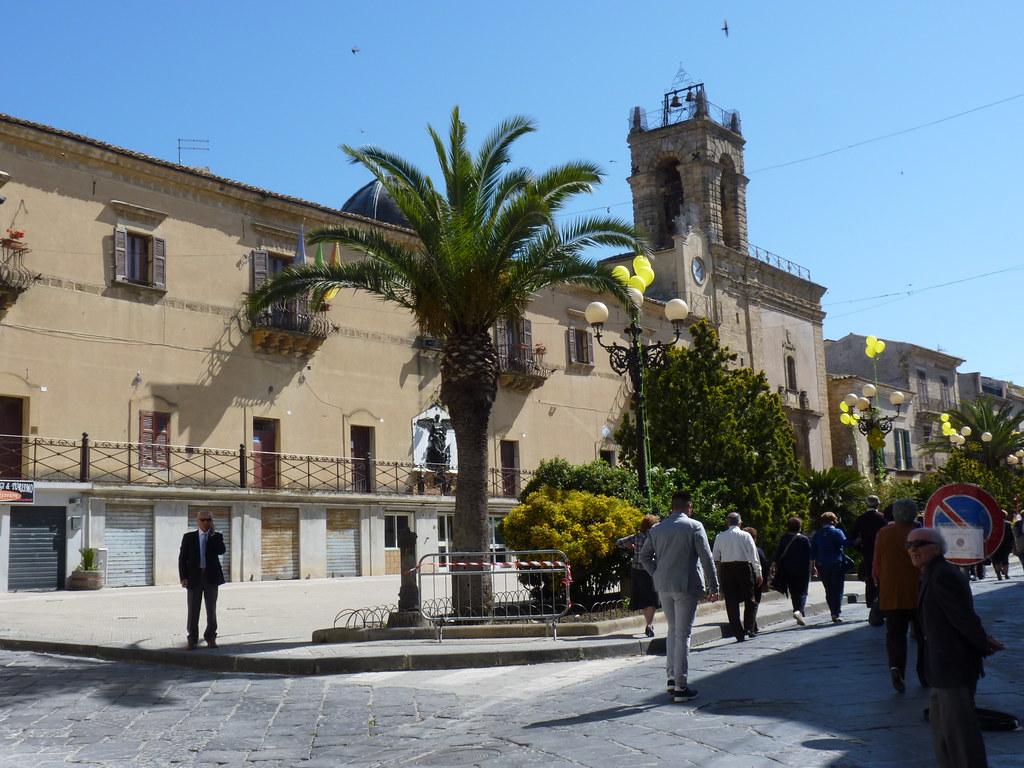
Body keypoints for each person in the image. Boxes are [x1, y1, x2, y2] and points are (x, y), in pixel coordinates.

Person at [908, 526, 1004, 768]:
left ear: (937, 548)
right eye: (908, 545)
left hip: (952, 666)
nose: (912, 549)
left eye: (918, 544)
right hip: (941, 667)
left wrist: (982, 642)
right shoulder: (931, 573)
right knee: (944, 733)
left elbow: (963, 618)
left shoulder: (943, 575)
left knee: (960, 735)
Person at [640, 489, 719, 703]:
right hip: (686, 584)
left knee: (673, 631)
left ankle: (671, 678)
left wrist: (655, 572)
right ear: (689, 507)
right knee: (683, 634)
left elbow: (644, 555)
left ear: (672, 507)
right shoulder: (694, 526)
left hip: (663, 585)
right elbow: (706, 557)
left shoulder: (657, 529)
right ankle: (681, 686)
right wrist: (714, 586)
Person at [872, 498, 926, 692]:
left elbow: (877, 561)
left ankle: (896, 668)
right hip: (918, 591)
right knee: (923, 635)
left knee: (895, 635)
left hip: (892, 591)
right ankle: (924, 673)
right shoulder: (920, 533)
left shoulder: (884, 533)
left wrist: (877, 579)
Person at [178, 511, 226, 650]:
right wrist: (183, 577)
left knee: (211, 609)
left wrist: (213, 535)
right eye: (203, 520)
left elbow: (221, 551)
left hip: (211, 578)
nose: (206, 523)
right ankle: (192, 639)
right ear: (197, 521)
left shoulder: (216, 536)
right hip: (194, 578)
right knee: (193, 610)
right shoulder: (189, 537)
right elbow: (182, 558)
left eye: (208, 520)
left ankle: (211, 637)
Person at [712, 513, 762, 642]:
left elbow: (716, 556)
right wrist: (758, 573)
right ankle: (750, 628)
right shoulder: (746, 536)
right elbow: (753, 555)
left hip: (727, 568)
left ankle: (738, 633)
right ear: (740, 523)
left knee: (731, 601)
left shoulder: (720, 537)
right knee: (750, 599)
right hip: (744, 567)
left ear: (727, 523)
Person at [616, 514, 661, 637]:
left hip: (637, 570)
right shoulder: (657, 536)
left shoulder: (637, 537)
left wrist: (630, 546)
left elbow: (619, 542)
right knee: (652, 597)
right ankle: (650, 624)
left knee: (643, 597)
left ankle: (648, 623)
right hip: (651, 570)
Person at [772, 516, 812, 625]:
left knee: (794, 592)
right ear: (799, 527)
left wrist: (774, 563)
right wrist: (813, 567)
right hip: (802, 570)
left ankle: (797, 610)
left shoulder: (784, 538)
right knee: (802, 592)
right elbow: (809, 555)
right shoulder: (804, 539)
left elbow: (779, 551)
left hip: (787, 569)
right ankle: (799, 611)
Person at [810, 512, 848, 623]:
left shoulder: (817, 534)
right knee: (838, 589)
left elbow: (813, 552)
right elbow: (846, 543)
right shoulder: (837, 532)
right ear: (834, 520)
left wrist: (812, 566)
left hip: (822, 564)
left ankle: (832, 611)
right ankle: (836, 613)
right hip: (836, 563)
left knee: (829, 589)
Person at [849, 494, 886, 608]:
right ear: (878, 504)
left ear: (866, 505)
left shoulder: (861, 518)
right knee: (883, 576)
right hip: (883, 552)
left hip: (868, 551)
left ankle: (870, 602)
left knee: (870, 578)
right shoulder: (883, 517)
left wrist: (859, 548)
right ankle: (882, 601)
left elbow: (852, 536)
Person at [743, 526, 770, 636]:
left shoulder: (741, 551)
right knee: (754, 603)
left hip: (743, 579)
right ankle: (750, 627)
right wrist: (765, 580)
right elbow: (764, 564)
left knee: (748, 602)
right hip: (756, 579)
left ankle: (752, 624)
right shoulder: (758, 551)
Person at [990, 511, 1013, 580]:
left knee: (996, 560)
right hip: (1006, 544)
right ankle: (1006, 575)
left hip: (995, 544)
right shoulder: (1008, 524)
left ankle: (998, 574)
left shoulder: (993, 524)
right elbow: (1012, 536)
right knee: (1005, 560)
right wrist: (1013, 544)